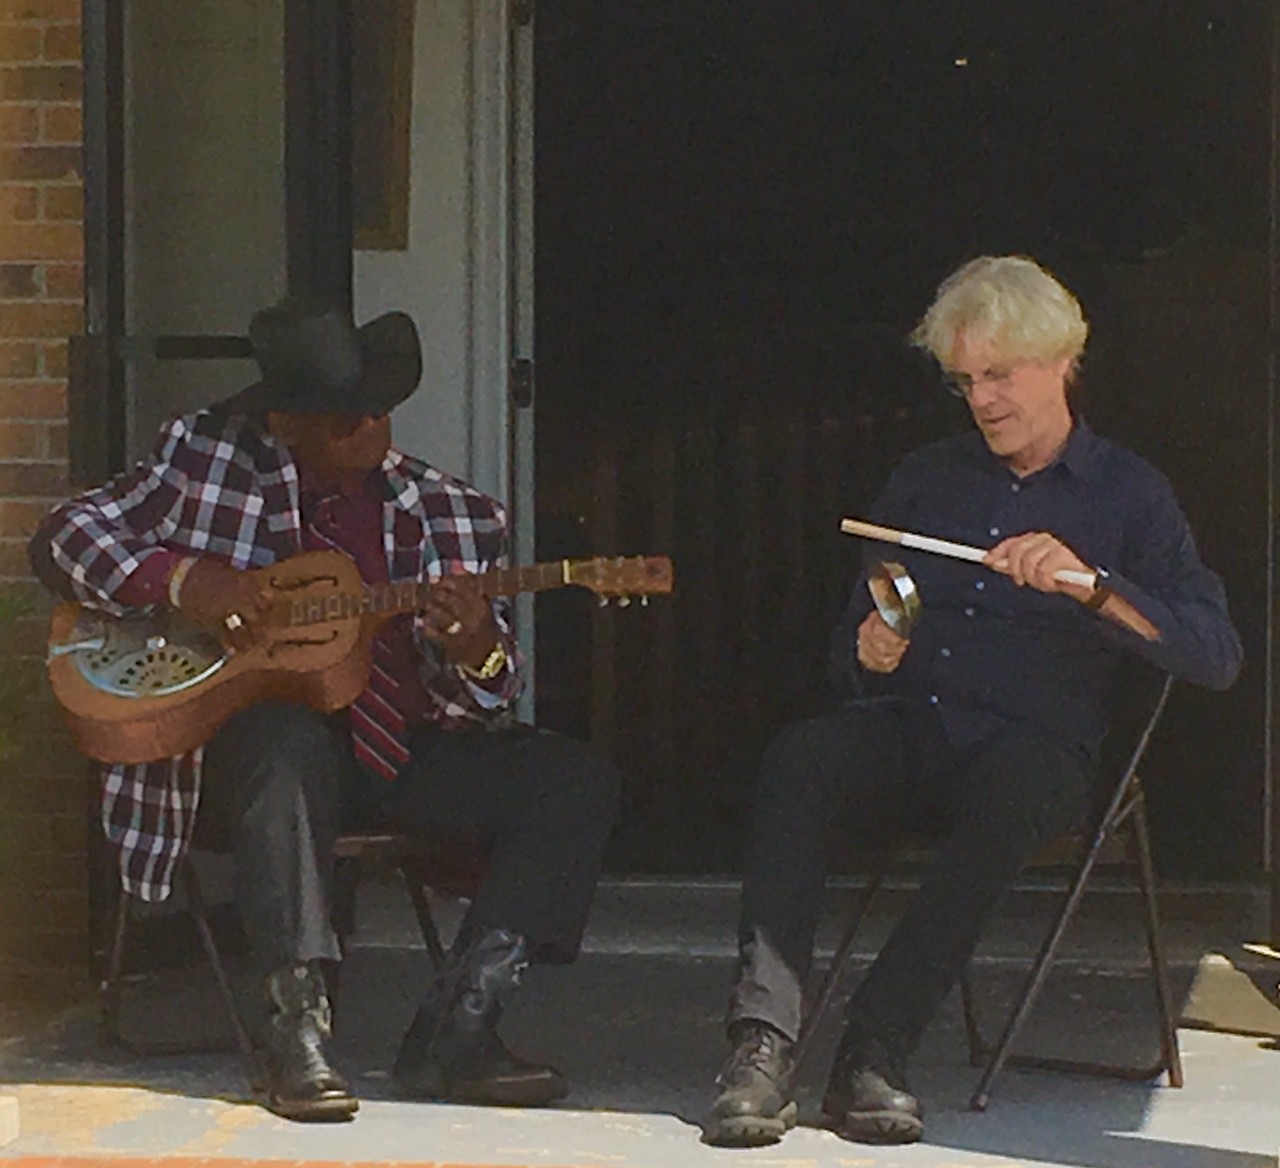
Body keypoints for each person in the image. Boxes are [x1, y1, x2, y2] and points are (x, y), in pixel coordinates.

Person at [30, 298, 620, 1122]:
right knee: (282, 740)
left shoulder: (454, 515)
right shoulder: (201, 461)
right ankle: (295, 1032)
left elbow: (488, 691)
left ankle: (461, 1027)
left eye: (380, 411)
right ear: (287, 420)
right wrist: (186, 583)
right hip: (249, 763)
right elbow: (63, 536)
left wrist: (473, 644)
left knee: (573, 779)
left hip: (402, 751)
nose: (369, 430)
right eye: (345, 417)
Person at [703, 255, 1242, 1147]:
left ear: (1061, 362)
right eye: (965, 381)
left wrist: (1089, 585)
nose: (982, 400)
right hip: (915, 727)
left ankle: (878, 1047)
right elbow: (859, 632)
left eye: (1001, 375)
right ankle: (761, 1045)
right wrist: (870, 650)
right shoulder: (928, 477)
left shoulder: (1128, 494)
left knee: (1011, 792)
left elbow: (1214, 654)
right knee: (803, 757)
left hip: (1037, 749)